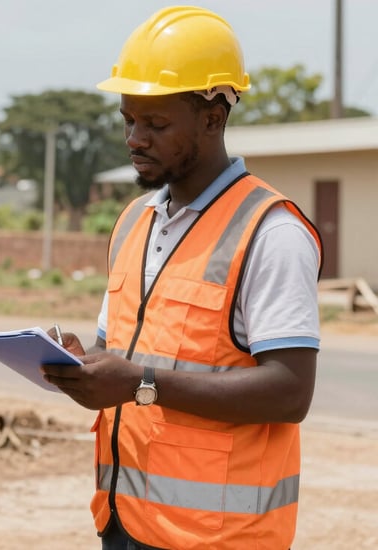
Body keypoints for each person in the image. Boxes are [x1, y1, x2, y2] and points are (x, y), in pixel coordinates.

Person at [41, 6, 322, 550]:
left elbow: (290, 392)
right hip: (124, 520)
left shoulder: (270, 232)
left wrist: (140, 385)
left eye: (156, 123)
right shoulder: (132, 222)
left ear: (213, 117)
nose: (134, 138)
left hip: (220, 535)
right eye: (128, 120)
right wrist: (82, 365)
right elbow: (120, 355)